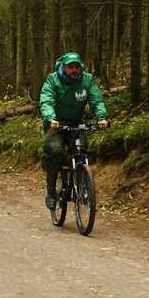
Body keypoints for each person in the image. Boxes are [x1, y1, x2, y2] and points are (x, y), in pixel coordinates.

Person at [39, 52, 109, 210]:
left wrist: (101, 117)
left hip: (76, 124)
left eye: (77, 67)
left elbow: (96, 99)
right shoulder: (53, 79)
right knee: (54, 151)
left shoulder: (87, 80)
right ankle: (51, 191)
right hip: (56, 124)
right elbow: (46, 100)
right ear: (63, 67)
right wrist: (51, 118)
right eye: (70, 67)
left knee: (83, 150)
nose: (74, 70)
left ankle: (83, 184)